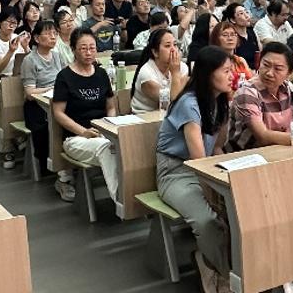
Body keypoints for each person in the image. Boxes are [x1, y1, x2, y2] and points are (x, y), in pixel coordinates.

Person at [156, 46, 233, 293]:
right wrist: (214, 194)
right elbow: (198, 161)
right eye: (226, 71)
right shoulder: (189, 104)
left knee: (238, 210)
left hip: (206, 168)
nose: (232, 76)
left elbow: (218, 147)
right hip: (176, 172)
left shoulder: (219, 100)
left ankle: (225, 266)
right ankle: (219, 273)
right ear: (208, 73)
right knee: (208, 220)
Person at [51, 27, 119, 204]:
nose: (89, 53)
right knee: (107, 149)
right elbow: (58, 113)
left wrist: (108, 126)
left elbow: (111, 107)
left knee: (124, 145)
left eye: (92, 48)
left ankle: (131, 192)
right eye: (83, 48)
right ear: (73, 50)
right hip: (76, 138)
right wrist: (84, 132)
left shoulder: (101, 73)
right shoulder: (64, 76)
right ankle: (121, 200)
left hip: (102, 133)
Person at [20, 21, 66, 177]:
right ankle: (50, 164)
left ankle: (67, 162)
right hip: (37, 106)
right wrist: (52, 88)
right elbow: (29, 93)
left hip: (57, 100)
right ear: (37, 38)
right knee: (46, 128)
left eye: (55, 33)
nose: (53, 37)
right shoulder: (30, 60)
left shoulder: (58, 56)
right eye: (48, 33)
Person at [130, 28, 187, 113]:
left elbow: (182, 101)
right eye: (167, 46)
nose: (173, 49)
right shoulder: (147, 74)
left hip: (167, 116)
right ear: (155, 52)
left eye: (175, 45)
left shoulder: (182, 67)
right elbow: (173, 103)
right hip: (144, 117)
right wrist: (175, 73)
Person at [209, 21, 253, 93]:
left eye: (233, 34)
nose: (230, 38)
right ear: (216, 38)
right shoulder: (212, 61)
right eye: (225, 35)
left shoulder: (240, 60)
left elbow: (251, 81)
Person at [219, 4, 258, 68]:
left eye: (246, 12)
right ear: (233, 20)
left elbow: (258, 52)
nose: (246, 16)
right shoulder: (231, 38)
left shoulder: (251, 32)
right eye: (241, 13)